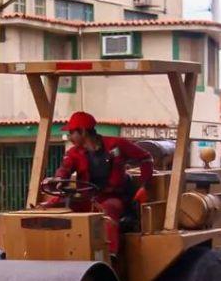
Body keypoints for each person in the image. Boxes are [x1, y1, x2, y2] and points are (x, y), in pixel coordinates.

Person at [49, 111, 153, 258]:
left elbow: (146, 158)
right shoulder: (74, 153)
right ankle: (56, 251)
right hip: (87, 198)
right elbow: (64, 168)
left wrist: (145, 186)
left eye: (72, 133)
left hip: (112, 197)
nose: (70, 137)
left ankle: (108, 255)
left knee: (108, 210)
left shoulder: (116, 144)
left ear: (83, 131)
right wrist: (58, 179)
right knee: (56, 206)